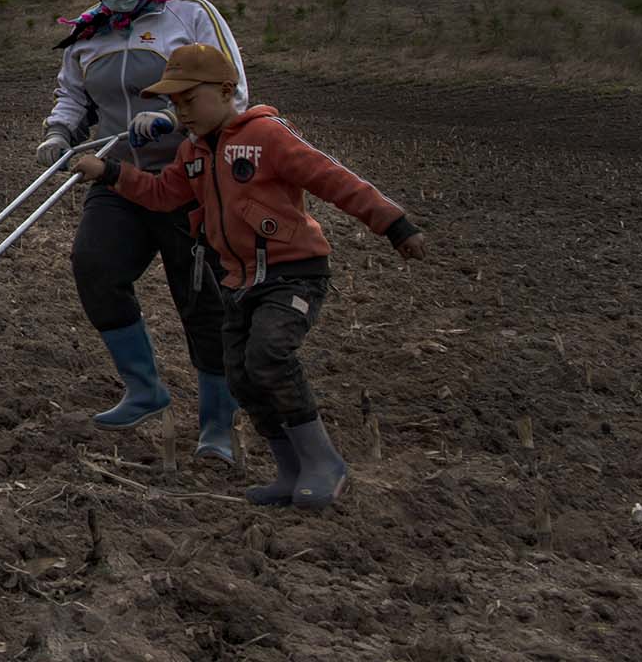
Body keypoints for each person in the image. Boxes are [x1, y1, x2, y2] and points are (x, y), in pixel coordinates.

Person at [68, 43, 428, 509]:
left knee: (269, 357)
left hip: (292, 273)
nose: (181, 111)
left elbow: (333, 178)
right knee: (239, 373)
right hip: (239, 281)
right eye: (173, 103)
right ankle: (289, 468)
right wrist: (112, 173)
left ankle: (323, 462)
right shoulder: (192, 152)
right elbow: (162, 194)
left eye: (189, 100)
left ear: (225, 90)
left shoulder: (265, 135)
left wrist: (394, 224)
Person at [37, 0, 248, 462]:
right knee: (96, 268)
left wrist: (171, 119)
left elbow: (234, 93)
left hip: (190, 179)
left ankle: (217, 427)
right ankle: (144, 389)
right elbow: (72, 94)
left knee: (201, 300)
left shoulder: (191, 14)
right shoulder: (90, 30)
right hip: (118, 175)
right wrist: (59, 133)